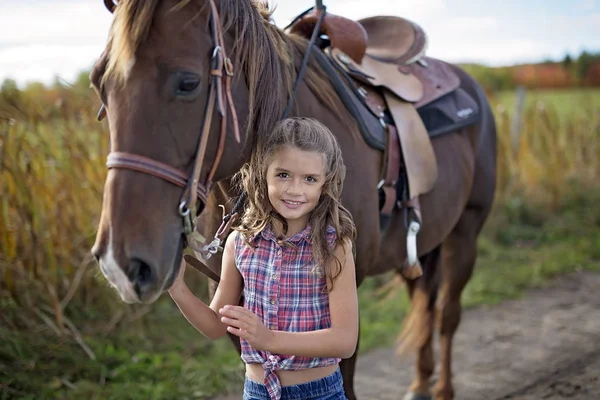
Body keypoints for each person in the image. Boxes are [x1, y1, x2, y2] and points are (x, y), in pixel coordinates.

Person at [168, 117, 358, 400]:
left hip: (320, 393)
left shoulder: (333, 246)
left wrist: (269, 339)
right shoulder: (240, 243)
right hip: (257, 392)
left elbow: (344, 342)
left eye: (309, 179)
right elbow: (215, 326)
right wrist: (177, 287)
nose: (295, 189)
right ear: (262, 174)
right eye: (283, 175)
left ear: (325, 184)